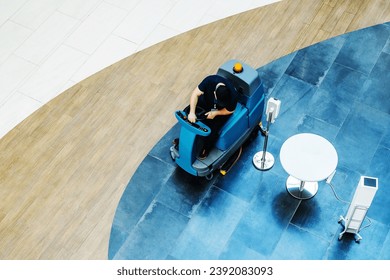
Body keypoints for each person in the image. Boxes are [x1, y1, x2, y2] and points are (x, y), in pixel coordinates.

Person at [187, 75, 238, 159]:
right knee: (190, 117)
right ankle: (186, 141)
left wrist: (216, 113)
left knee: (213, 129)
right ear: (214, 93)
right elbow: (195, 94)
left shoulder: (233, 95)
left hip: (220, 111)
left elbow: (230, 110)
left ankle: (206, 148)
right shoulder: (209, 80)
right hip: (206, 102)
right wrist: (192, 112)